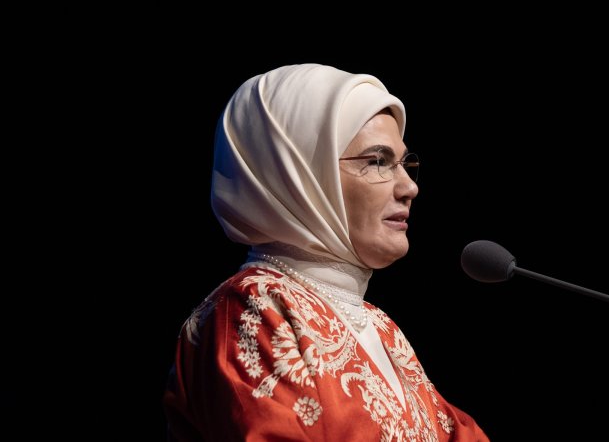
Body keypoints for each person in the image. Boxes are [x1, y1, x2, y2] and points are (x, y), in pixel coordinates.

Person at [163, 63, 490, 441]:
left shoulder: (379, 327)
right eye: (378, 161)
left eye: (405, 164)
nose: (408, 188)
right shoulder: (252, 308)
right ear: (302, 174)